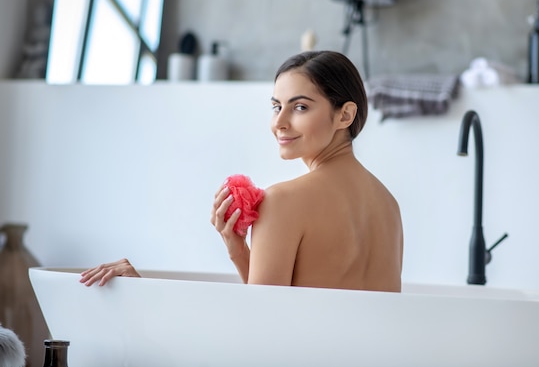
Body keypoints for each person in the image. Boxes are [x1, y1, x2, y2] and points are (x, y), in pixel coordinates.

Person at [80, 51, 404, 292]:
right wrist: (238, 250)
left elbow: (262, 326)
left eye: (300, 107)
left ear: (345, 115)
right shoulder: (389, 206)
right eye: (277, 106)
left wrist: (143, 295)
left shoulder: (281, 201)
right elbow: (302, 305)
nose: (279, 122)